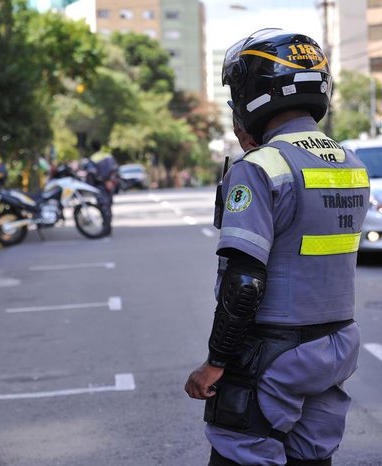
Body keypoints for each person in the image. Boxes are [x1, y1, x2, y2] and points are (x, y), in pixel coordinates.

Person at [184, 29, 370, 466]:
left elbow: (244, 282)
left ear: (254, 93)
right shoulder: (352, 165)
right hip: (335, 347)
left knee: (240, 453)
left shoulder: (261, 167)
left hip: (273, 356)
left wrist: (214, 362)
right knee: (313, 458)